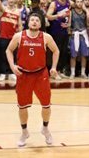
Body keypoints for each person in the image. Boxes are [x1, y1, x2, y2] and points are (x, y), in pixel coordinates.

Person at [5, 13, 61, 147]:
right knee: (22, 106)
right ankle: (24, 132)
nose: (34, 22)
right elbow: (8, 50)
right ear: (28, 22)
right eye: (32, 20)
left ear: (40, 24)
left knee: (46, 105)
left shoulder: (46, 37)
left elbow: (56, 51)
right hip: (23, 75)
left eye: (37, 20)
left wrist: (53, 67)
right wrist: (12, 67)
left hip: (41, 75)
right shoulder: (19, 36)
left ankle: (45, 128)